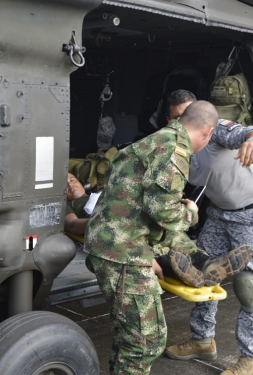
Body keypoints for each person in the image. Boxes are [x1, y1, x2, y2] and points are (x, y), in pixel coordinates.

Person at [84, 101, 223, 375]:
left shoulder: (157, 140)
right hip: (123, 252)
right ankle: (198, 261)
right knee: (146, 342)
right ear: (207, 133)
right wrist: (191, 212)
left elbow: (137, 204)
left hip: (119, 246)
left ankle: (195, 260)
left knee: (132, 338)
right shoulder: (175, 148)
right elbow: (162, 210)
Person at [163, 90, 253, 375]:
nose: (186, 120)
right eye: (178, 116)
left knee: (247, 286)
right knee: (199, 272)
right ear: (170, 119)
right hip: (219, 213)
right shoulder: (174, 143)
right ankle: (202, 340)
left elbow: (249, 132)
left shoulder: (215, 132)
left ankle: (250, 360)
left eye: (190, 113)